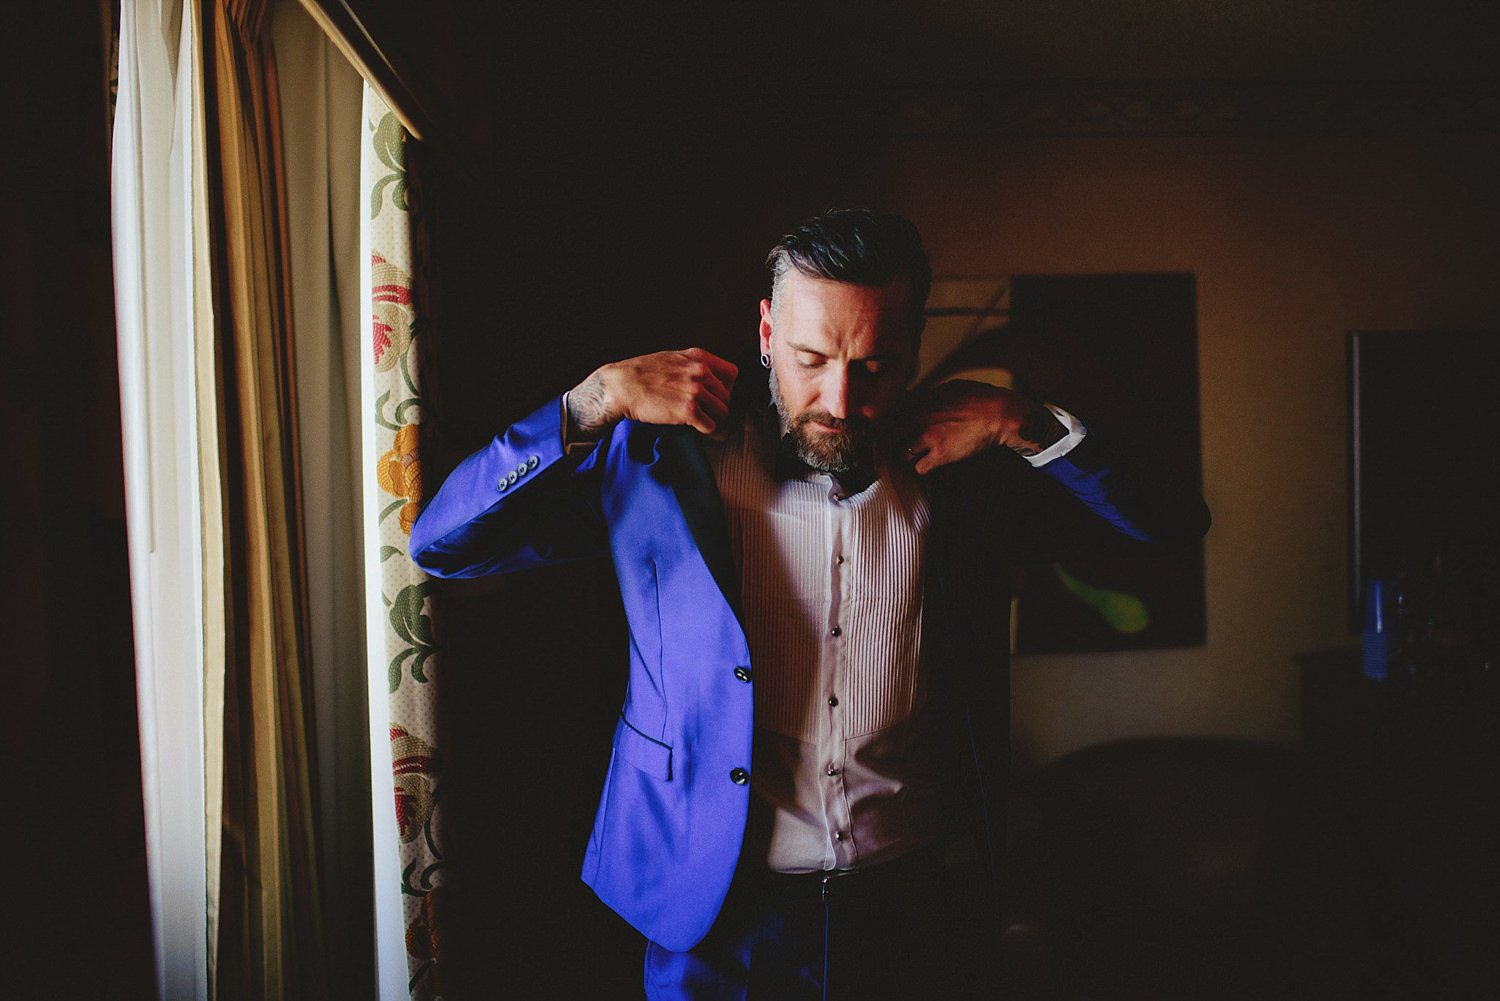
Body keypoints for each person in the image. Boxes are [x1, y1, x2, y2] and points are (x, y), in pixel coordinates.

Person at [409, 209, 1210, 998]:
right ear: (765, 333)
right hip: (715, 917)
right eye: (809, 357)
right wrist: (590, 400)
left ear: (915, 346)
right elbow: (444, 542)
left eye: (876, 365)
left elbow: (1173, 522)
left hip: (914, 910)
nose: (839, 397)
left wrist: (1025, 421)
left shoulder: (968, 475)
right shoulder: (657, 465)